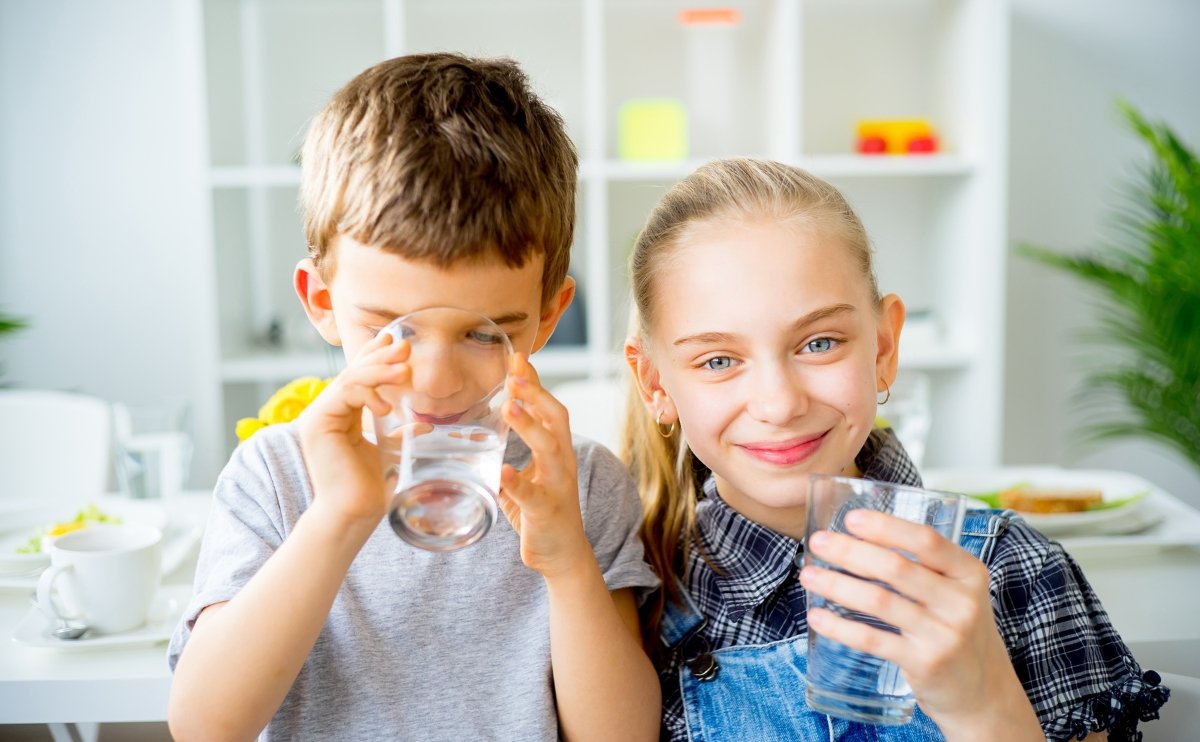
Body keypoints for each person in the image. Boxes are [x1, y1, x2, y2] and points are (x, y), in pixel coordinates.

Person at [167, 53, 661, 742]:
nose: (436, 380)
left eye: (488, 334)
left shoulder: (580, 487)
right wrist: (338, 515)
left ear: (547, 317)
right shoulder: (273, 476)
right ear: (321, 303)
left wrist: (568, 560)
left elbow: (620, 737)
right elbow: (204, 726)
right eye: (390, 330)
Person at [620, 158, 1170, 741]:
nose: (778, 404)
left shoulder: (1018, 570)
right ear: (656, 384)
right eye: (718, 361)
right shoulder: (634, 604)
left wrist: (980, 706)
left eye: (819, 342)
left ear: (883, 348)